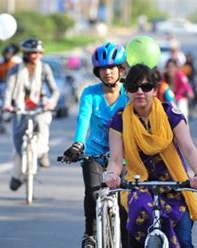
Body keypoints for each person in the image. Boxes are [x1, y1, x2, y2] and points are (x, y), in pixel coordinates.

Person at [104, 64, 197, 248]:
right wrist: (112, 174)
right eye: (133, 88)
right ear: (126, 91)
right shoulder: (119, 120)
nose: (140, 92)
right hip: (138, 187)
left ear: (155, 89)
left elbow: (189, 148)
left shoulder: (170, 114)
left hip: (175, 185)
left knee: (184, 242)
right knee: (136, 239)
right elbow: (116, 160)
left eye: (146, 87)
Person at [60, 42, 129, 248]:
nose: (107, 72)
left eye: (112, 68)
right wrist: (77, 145)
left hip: (123, 156)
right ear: (97, 72)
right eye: (103, 69)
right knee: (92, 194)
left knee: (124, 204)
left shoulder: (130, 94)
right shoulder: (90, 93)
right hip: (95, 155)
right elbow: (83, 120)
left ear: (121, 70)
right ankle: (90, 233)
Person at [3, 38, 60, 190]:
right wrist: (7, 104)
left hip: (39, 105)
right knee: (17, 138)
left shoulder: (45, 68)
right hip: (20, 107)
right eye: (31, 53)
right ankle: (17, 176)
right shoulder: (16, 69)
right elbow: (9, 89)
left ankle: (42, 153)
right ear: (25, 53)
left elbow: (55, 90)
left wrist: (51, 102)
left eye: (37, 53)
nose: (35, 55)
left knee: (42, 123)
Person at [0, 43, 20, 134]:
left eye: (9, 54)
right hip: (2, 87)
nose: (7, 56)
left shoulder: (16, 65)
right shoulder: (0, 65)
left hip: (14, 89)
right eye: (6, 53)